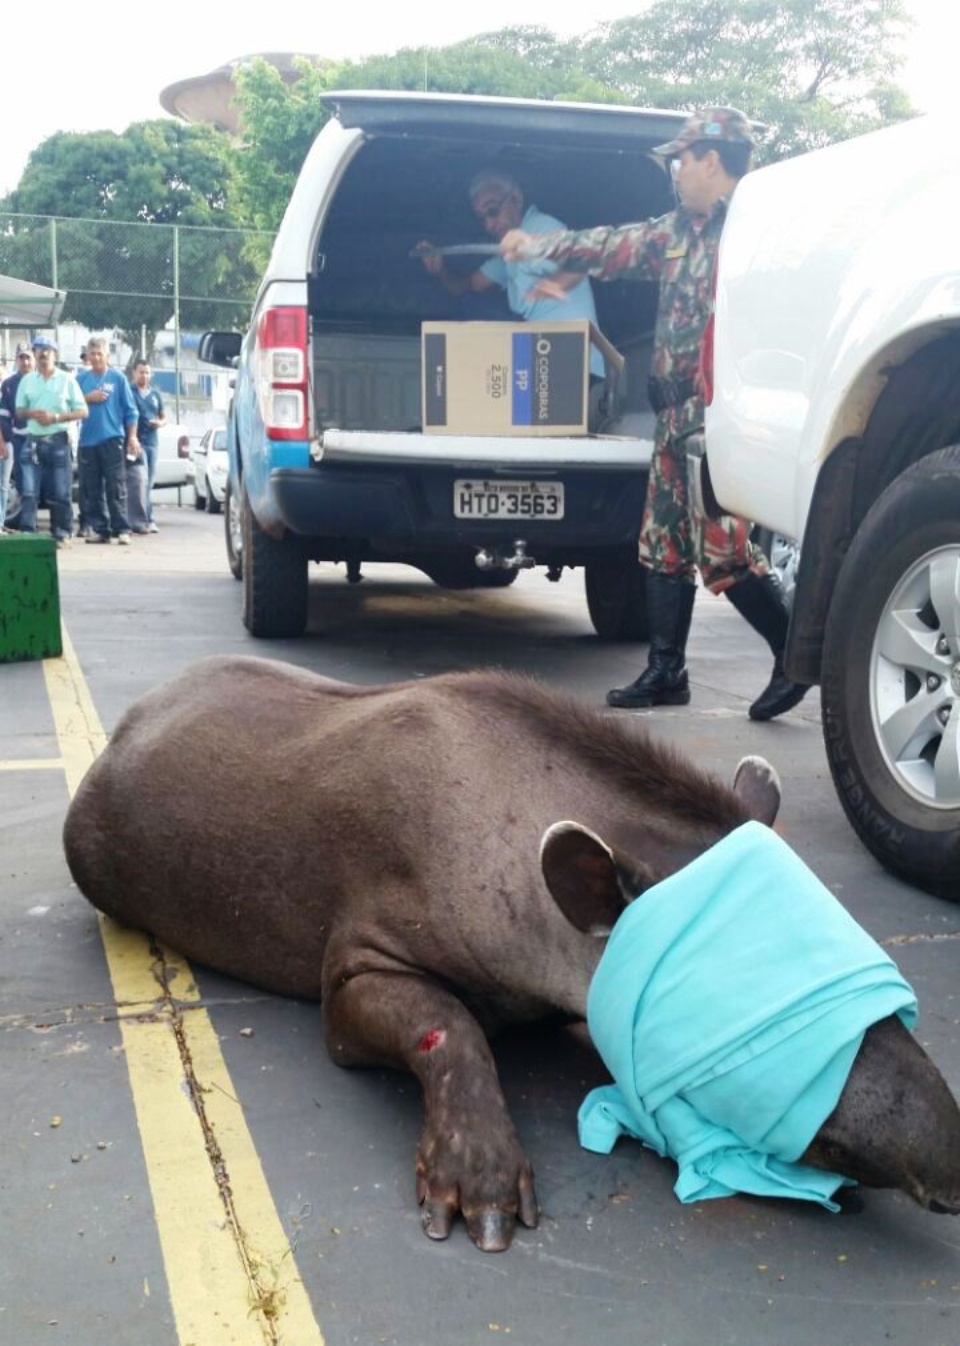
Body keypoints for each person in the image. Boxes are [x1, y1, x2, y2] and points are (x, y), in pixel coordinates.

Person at [500, 108, 808, 722]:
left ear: (711, 160)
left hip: (717, 417)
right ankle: (668, 671)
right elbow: (611, 245)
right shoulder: (677, 231)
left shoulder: (756, 231)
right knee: (663, 546)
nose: (675, 171)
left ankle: (795, 659)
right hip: (673, 418)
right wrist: (538, 246)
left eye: (682, 160)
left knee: (722, 549)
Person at [417, 170, 605, 380]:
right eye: (482, 219)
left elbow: (581, 259)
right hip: (543, 366)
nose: (489, 224)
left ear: (516, 199)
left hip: (576, 366)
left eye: (493, 211)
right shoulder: (509, 252)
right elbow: (470, 285)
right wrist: (440, 270)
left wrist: (556, 285)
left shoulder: (542, 227)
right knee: (469, 304)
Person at [14, 335, 87, 547]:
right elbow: (18, 411)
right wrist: (30, 413)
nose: (43, 353)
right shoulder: (27, 381)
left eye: (48, 350)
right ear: (34, 354)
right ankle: (29, 533)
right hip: (33, 441)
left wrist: (56, 417)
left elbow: (83, 410)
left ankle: (62, 533)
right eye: (39, 349)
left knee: (61, 492)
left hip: (58, 441)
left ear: (55, 354)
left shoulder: (67, 380)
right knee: (28, 492)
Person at [76, 336, 140, 545]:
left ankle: (121, 529)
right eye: (92, 354)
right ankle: (100, 529)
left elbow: (131, 412)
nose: (96, 357)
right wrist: (88, 398)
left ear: (107, 355)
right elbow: (69, 406)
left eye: (99, 353)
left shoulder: (118, 378)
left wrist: (132, 437)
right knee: (92, 489)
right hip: (87, 442)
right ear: (87, 356)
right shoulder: (81, 380)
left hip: (112, 440)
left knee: (116, 486)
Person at [128, 358, 166, 532]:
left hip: (152, 443)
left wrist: (159, 423)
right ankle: (142, 519)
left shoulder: (155, 394)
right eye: (141, 371)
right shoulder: (129, 391)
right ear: (134, 373)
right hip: (136, 443)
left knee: (149, 483)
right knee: (138, 483)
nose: (144, 375)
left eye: (147, 372)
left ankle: (148, 518)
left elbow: (163, 417)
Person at [0, 343, 36, 522]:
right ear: (17, 360)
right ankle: (27, 525)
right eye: (22, 357)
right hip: (17, 439)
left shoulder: (42, 381)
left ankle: (54, 528)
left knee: (44, 484)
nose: (26, 361)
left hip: (40, 438)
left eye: (28, 357)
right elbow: (3, 415)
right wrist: (6, 440)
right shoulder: (8, 384)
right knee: (21, 483)